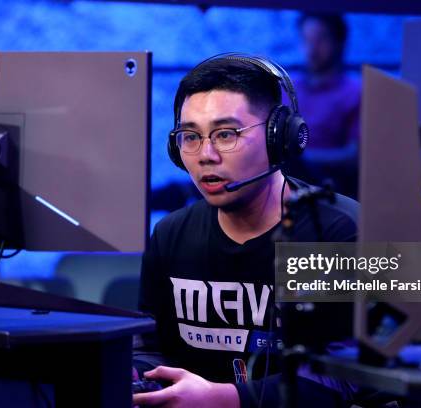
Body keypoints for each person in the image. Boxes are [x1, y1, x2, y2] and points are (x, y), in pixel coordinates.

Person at [133, 53, 359, 407]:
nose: (205, 154)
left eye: (226, 134)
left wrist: (221, 399)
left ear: (278, 137)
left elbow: (346, 377)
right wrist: (136, 378)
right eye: (190, 137)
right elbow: (149, 346)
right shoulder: (171, 235)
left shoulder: (337, 231)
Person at [290, 13, 361, 198]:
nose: (312, 49)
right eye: (306, 40)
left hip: (331, 190)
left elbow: (355, 156)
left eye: (320, 39)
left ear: (339, 43)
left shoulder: (355, 92)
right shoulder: (288, 89)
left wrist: (301, 158)